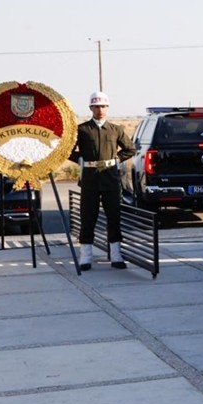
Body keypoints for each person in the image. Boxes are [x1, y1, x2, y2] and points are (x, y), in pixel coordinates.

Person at [69, 91, 136, 271]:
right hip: (90, 179)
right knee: (88, 217)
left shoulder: (116, 129)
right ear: (91, 107)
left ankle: (116, 255)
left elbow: (130, 149)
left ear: (108, 108)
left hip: (110, 179)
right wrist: (79, 160)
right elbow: (67, 150)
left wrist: (117, 160)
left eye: (103, 106)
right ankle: (86, 256)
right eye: (97, 106)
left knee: (114, 216)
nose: (100, 109)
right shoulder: (82, 130)